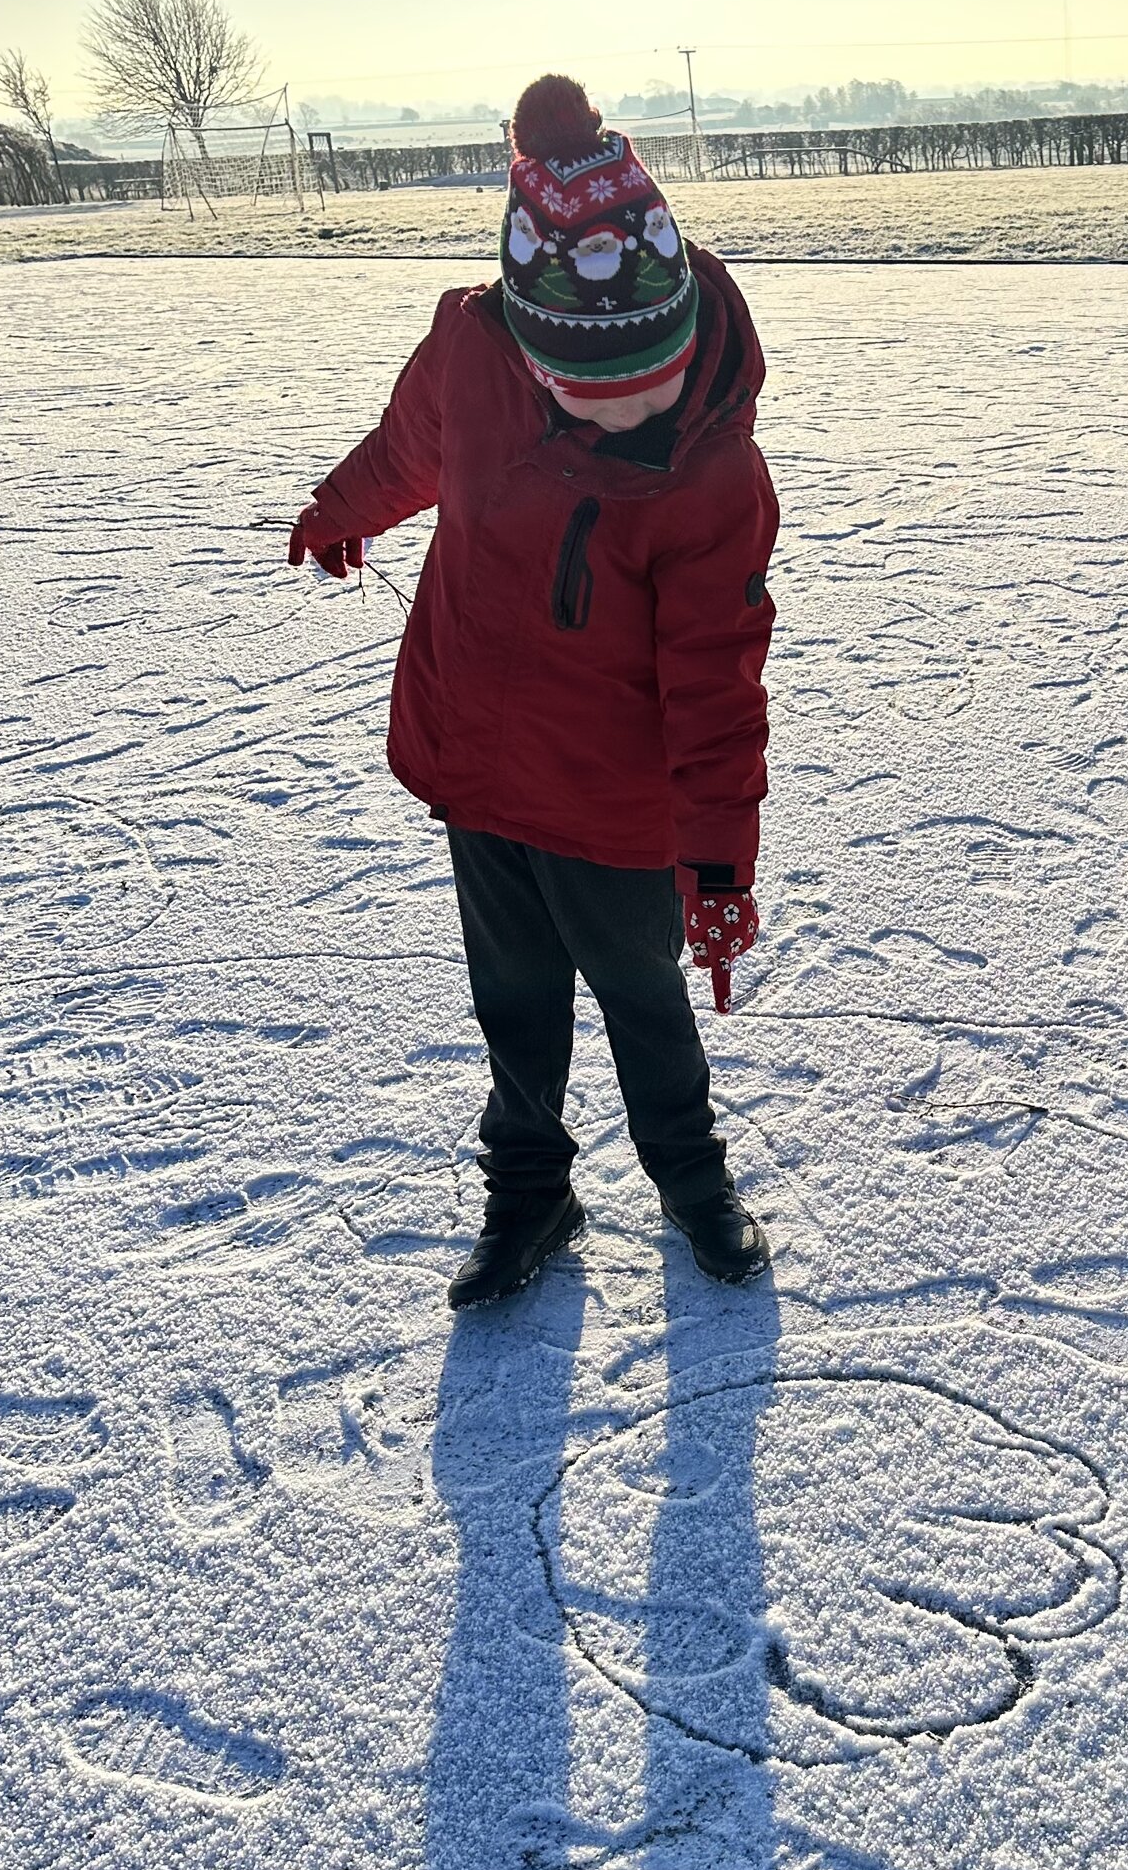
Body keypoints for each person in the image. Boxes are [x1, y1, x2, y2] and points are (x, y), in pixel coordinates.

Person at [288, 74, 779, 1307]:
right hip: (476, 758)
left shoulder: (712, 475)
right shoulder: (471, 343)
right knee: (510, 997)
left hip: (613, 805)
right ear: (526, 341)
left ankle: (688, 1173)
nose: (631, 418)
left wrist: (717, 864)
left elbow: (716, 686)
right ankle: (529, 1191)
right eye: (590, 396)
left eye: (649, 389)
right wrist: (340, 511)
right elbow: (413, 447)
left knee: (638, 996)